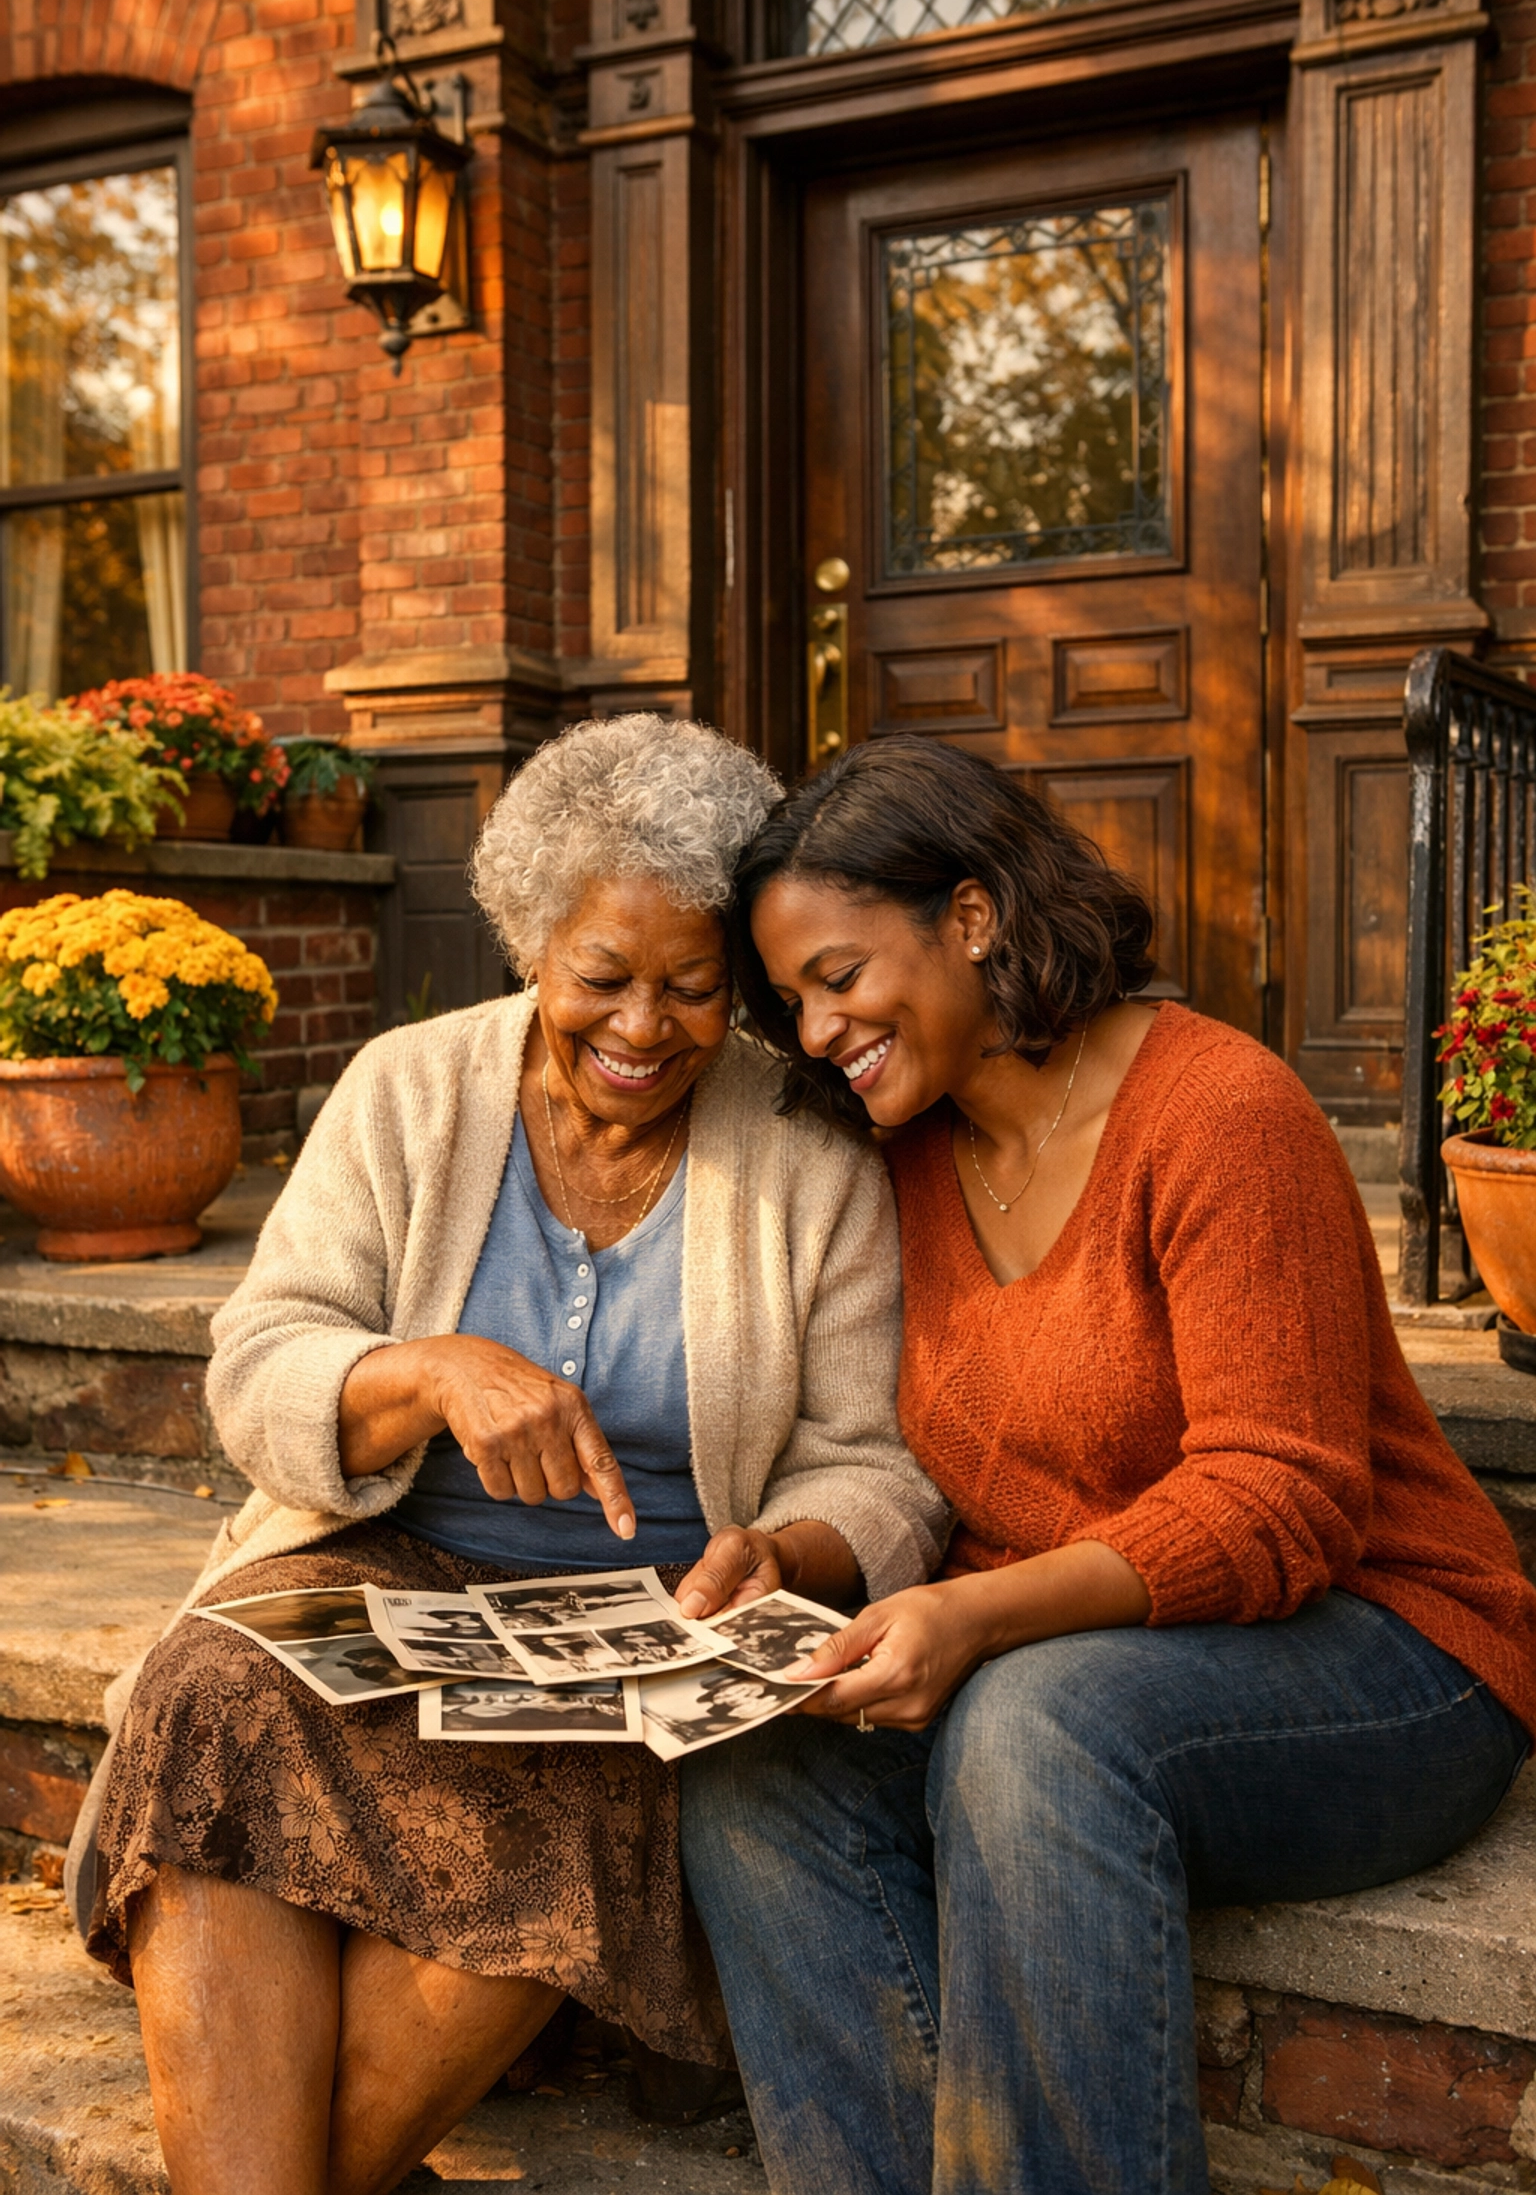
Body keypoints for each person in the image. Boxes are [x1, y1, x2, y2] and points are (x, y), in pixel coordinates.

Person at [72, 715, 947, 2195]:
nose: (644, 1028)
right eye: (602, 979)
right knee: (213, 1692)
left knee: (575, 1794)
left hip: (649, 1628)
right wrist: (420, 1372)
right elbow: (260, 1360)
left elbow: (876, 1466)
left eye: (692, 988)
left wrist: (783, 1552)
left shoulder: (809, 1151)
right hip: (382, 1574)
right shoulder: (409, 1091)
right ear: (528, 942)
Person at [680, 735, 1536, 2195]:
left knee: (1036, 1721)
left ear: (971, 916)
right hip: (1083, 1664)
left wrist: (982, 1617)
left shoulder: (1221, 1113)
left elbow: (1288, 1498)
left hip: (1390, 1652)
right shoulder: (905, 1162)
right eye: (791, 1005)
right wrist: (797, 1560)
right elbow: (944, 1466)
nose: (817, 1033)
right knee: (754, 1772)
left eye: (838, 978)